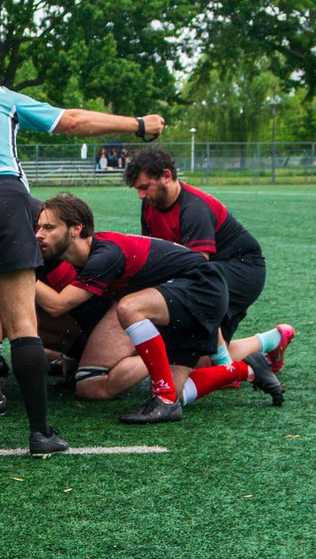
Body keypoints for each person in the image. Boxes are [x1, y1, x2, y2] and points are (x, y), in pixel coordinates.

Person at [0, 47, 171, 452]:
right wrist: (137, 124)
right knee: (22, 323)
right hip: (8, 199)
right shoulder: (0, 95)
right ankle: (40, 433)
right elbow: (71, 120)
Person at [33, 193, 240, 423]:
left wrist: (18, 275)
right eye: (39, 227)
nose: (39, 234)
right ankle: (248, 369)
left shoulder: (103, 255)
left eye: (49, 227)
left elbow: (57, 305)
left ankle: (164, 400)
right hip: (189, 290)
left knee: (129, 308)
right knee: (179, 391)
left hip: (202, 286)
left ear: (76, 229)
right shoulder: (91, 255)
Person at [124, 144, 293, 399]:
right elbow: (154, 254)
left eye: (144, 187)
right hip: (214, 271)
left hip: (242, 270)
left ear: (167, 176)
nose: (140, 195)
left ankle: (233, 371)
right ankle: (272, 341)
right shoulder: (150, 206)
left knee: (192, 310)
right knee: (202, 360)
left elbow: (196, 273)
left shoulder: (194, 208)